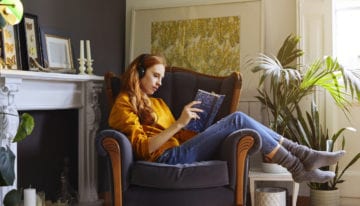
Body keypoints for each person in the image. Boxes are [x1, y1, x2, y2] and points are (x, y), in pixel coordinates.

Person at [109, 53, 345, 183]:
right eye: (155, 76)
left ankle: (302, 158)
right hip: (164, 159)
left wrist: (197, 125)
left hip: (179, 150)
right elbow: (142, 148)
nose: (160, 83)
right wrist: (180, 122)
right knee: (238, 119)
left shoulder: (157, 102)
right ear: (139, 72)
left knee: (234, 122)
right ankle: (300, 160)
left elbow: (180, 135)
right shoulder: (123, 104)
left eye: (161, 77)